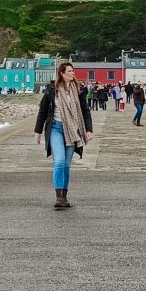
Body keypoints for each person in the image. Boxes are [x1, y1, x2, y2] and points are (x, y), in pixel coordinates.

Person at [34, 61, 93, 209]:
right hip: (55, 128)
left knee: (66, 165)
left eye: (73, 71)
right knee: (59, 161)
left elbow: (85, 111)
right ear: (62, 73)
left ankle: (64, 196)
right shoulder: (51, 90)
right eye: (70, 71)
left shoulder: (79, 90)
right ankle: (58, 196)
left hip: (73, 129)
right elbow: (43, 111)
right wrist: (38, 131)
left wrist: (88, 129)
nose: (73, 73)